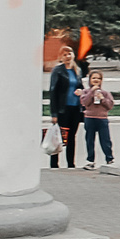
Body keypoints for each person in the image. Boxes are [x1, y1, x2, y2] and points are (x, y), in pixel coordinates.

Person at [46, 38, 82, 170]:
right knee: (59, 136)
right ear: (61, 57)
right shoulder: (58, 70)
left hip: (75, 109)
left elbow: (81, 86)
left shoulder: (76, 70)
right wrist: (54, 113)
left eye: (69, 54)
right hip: (62, 109)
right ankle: (54, 164)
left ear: (73, 55)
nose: (67, 56)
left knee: (72, 136)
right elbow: (53, 92)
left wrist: (81, 91)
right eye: (64, 54)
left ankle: (71, 164)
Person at [78, 70, 116, 169]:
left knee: (105, 140)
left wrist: (102, 98)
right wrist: (91, 92)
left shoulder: (106, 93)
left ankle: (109, 159)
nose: (96, 80)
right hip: (90, 118)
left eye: (98, 78)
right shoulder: (86, 92)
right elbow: (85, 103)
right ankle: (90, 160)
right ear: (90, 80)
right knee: (90, 140)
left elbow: (109, 106)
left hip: (102, 119)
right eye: (94, 78)